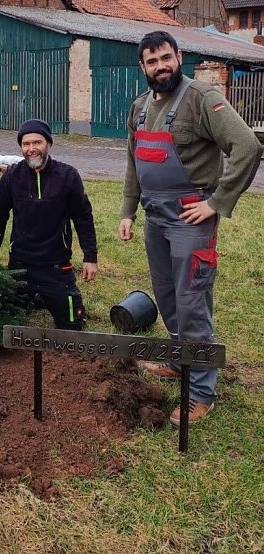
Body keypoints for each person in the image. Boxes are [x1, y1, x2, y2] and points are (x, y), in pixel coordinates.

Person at [118, 30, 262, 426]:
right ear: (143, 66)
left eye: (166, 58)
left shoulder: (201, 99)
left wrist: (216, 203)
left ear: (179, 57)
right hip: (154, 217)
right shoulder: (139, 107)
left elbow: (247, 146)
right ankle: (180, 360)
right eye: (152, 61)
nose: (161, 66)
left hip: (189, 219)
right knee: (167, 295)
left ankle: (200, 392)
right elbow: (132, 161)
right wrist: (128, 211)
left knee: (192, 302)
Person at [0, 119, 98, 329]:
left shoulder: (68, 175)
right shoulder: (12, 175)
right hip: (20, 265)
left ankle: (47, 296)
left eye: (37, 142)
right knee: (6, 325)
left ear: (48, 144)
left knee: (72, 325)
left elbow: (83, 217)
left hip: (56, 266)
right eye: (26, 144)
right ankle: (36, 296)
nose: (31, 149)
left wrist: (90, 257)